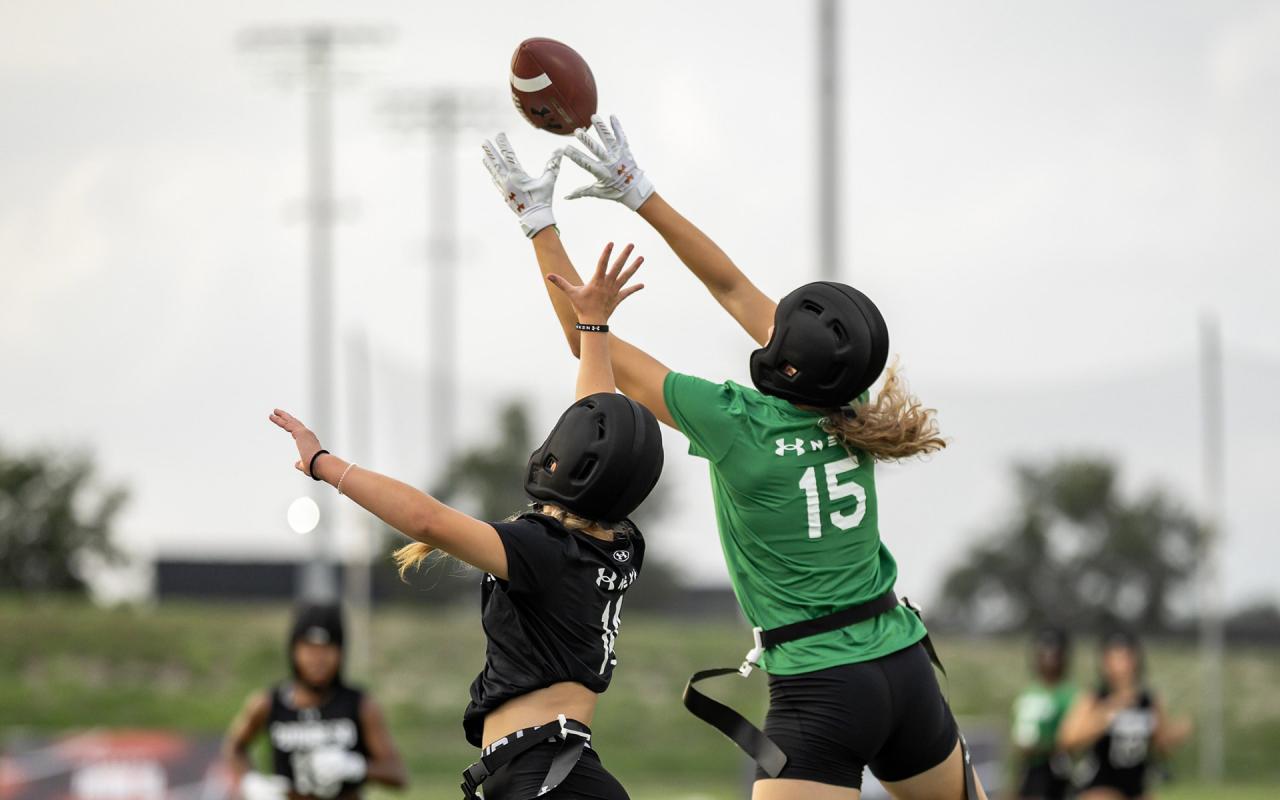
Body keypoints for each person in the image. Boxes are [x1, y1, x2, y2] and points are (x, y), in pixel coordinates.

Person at [481, 117, 986, 800]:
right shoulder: (852, 403)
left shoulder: (737, 423)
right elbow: (733, 290)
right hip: (902, 661)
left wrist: (537, 222)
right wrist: (642, 193)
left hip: (823, 686)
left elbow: (589, 339)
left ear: (784, 361)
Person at [268, 245, 662, 800]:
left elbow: (425, 519)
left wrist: (322, 464)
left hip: (543, 775)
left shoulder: (545, 548)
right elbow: (599, 425)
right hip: (553, 770)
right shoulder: (620, 544)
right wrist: (591, 325)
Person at [222, 603, 408, 800]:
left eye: (327, 649)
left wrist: (356, 766)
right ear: (294, 650)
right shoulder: (269, 703)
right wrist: (250, 782)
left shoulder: (360, 705)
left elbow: (397, 774)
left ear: (340, 652)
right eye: (309, 649)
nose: (317, 660)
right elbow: (235, 747)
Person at [1058, 630, 1192, 800]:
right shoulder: (1096, 698)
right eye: (1116, 658)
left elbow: (1161, 743)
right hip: (1101, 782)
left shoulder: (1148, 701)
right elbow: (1068, 739)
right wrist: (1109, 712)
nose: (1123, 665)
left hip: (1135, 784)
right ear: (1105, 663)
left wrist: (1177, 733)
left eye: (1127, 657)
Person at [1010, 628, 1077, 800]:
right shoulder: (1029, 691)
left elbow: (1070, 738)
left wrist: (1043, 746)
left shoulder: (1069, 694)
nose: (1048, 658)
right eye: (1044, 651)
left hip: (1054, 771)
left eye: (1054, 653)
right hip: (1028, 770)